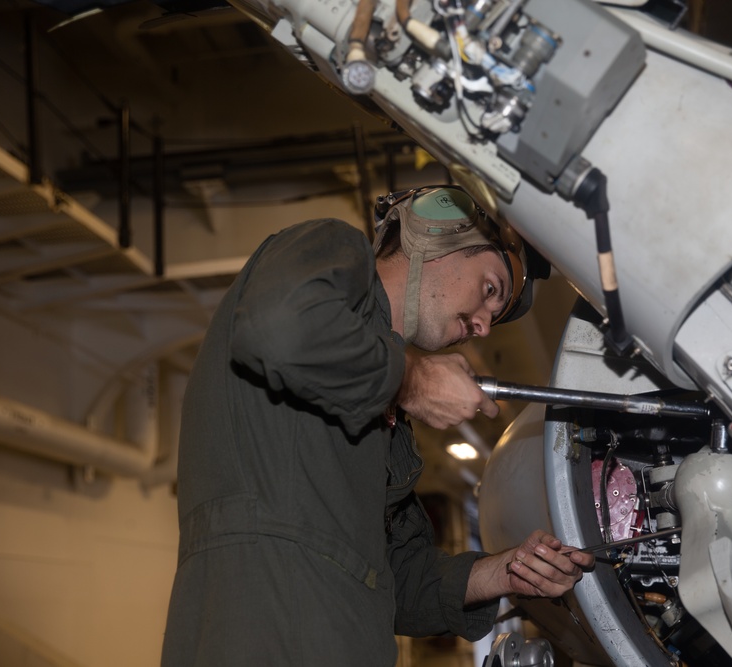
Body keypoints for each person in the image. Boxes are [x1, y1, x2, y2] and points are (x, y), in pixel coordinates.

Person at [160, 185, 594, 666]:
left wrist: (505, 573)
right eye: (489, 289)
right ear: (441, 237)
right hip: (262, 632)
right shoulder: (332, 246)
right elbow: (277, 328)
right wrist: (408, 378)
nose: (484, 328)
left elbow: (392, 579)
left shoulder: (381, 412)